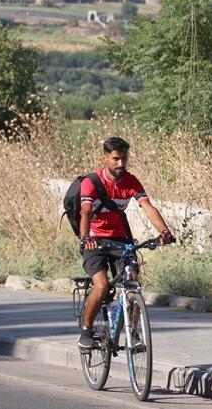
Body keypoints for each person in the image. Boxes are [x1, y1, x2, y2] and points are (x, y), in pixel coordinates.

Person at [77, 136, 175, 349]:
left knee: (133, 284)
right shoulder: (91, 182)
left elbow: (147, 206)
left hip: (121, 240)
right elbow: (85, 211)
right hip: (95, 241)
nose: (121, 164)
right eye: (116, 159)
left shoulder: (131, 181)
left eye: (124, 159)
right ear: (105, 158)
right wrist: (86, 238)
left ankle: (133, 331)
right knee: (102, 285)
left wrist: (164, 231)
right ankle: (86, 330)